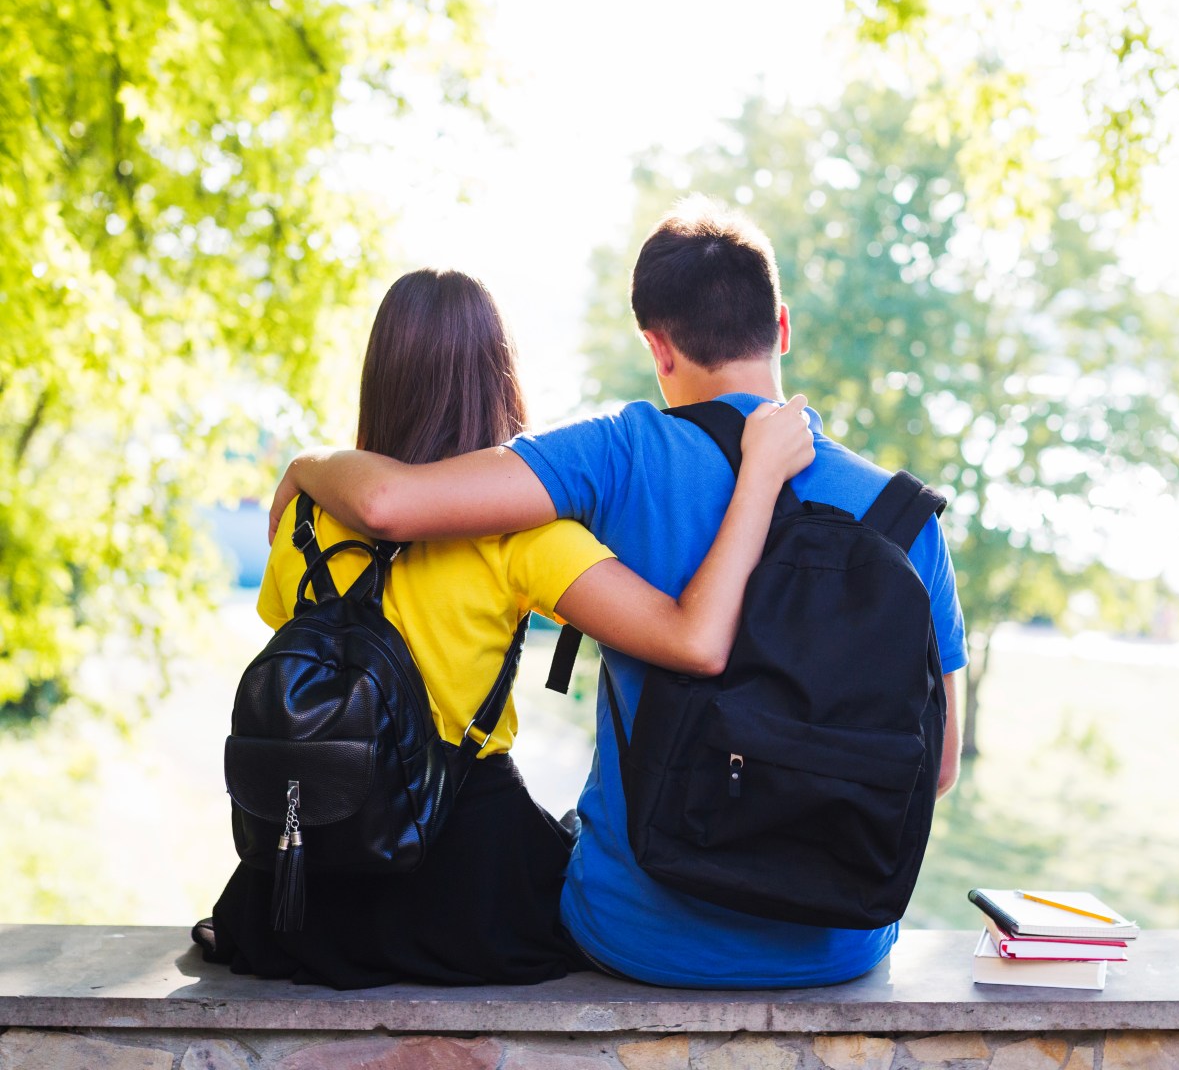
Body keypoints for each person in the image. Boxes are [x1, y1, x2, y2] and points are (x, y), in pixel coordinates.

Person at [269, 199, 969, 989]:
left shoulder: (618, 453)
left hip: (637, 937)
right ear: (781, 326)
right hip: (843, 946)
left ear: (657, 346)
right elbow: (937, 766)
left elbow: (395, 504)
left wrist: (309, 466)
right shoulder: (908, 517)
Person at [199, 266, 814, 989]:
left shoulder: (307, 514)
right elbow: (691, 639)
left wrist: (307, 464)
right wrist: (759, 478)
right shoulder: (522, 535)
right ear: (498, 378)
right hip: (461, 892)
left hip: (298, 888)